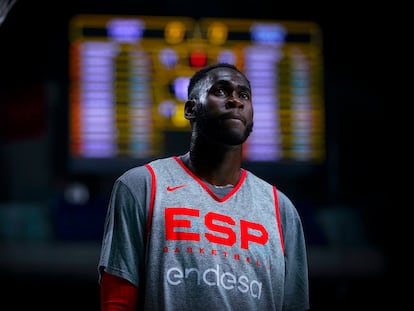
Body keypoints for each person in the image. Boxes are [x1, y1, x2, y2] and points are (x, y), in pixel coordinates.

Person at [98, 62, 310, 311]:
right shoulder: (141, 185)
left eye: (244, 95)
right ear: (190, 109)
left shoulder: (280, 208)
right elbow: (117, 298)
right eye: (220, 91)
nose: (235, 101)